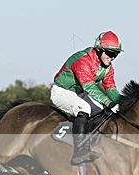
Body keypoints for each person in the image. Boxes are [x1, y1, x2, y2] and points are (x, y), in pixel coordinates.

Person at [50, 31, 123, 165]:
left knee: (102, 110)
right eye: (110, 53)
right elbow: (89, 87)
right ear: (99, 49)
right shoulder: (83, 60)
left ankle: (90, 143)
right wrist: (108, 102)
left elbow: (110, 87)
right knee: (84, 108)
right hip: (61, 91)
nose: (112, 58)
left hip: (78, 93)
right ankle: (79, 150)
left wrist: (122, 102)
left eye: (116, 55)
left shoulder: (108, 67)